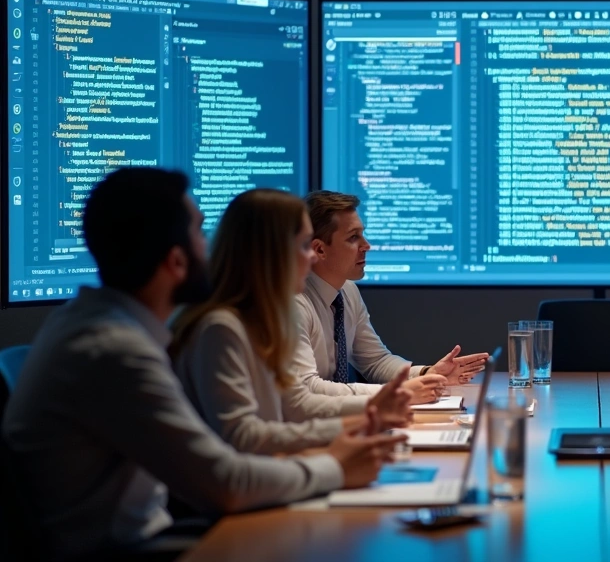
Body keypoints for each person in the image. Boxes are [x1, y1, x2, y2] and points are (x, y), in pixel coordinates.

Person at [1, 169, 405, 561]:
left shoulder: (99, 328)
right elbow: (225, 481)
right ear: (176, 261)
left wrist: (346, 438)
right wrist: (336, 465)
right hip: (130, 550)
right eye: (199, 233)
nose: (210, 248)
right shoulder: (114, 351)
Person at [172, 189, 417, 456]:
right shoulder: (222, 328)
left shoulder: (263, 318)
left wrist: (368, 419)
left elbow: (295, 404)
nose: (312, 256)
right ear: (270, 254)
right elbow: (247, 442)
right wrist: (342, 455)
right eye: (303, 245)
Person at [294, 190, 487, 399]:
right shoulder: (294, 303)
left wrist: (426, 374)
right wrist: (397, 392)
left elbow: (375, 361)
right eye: (353, 237)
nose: (366, 246)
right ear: (320, 250)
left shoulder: (347, 291)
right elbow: (307, 388)